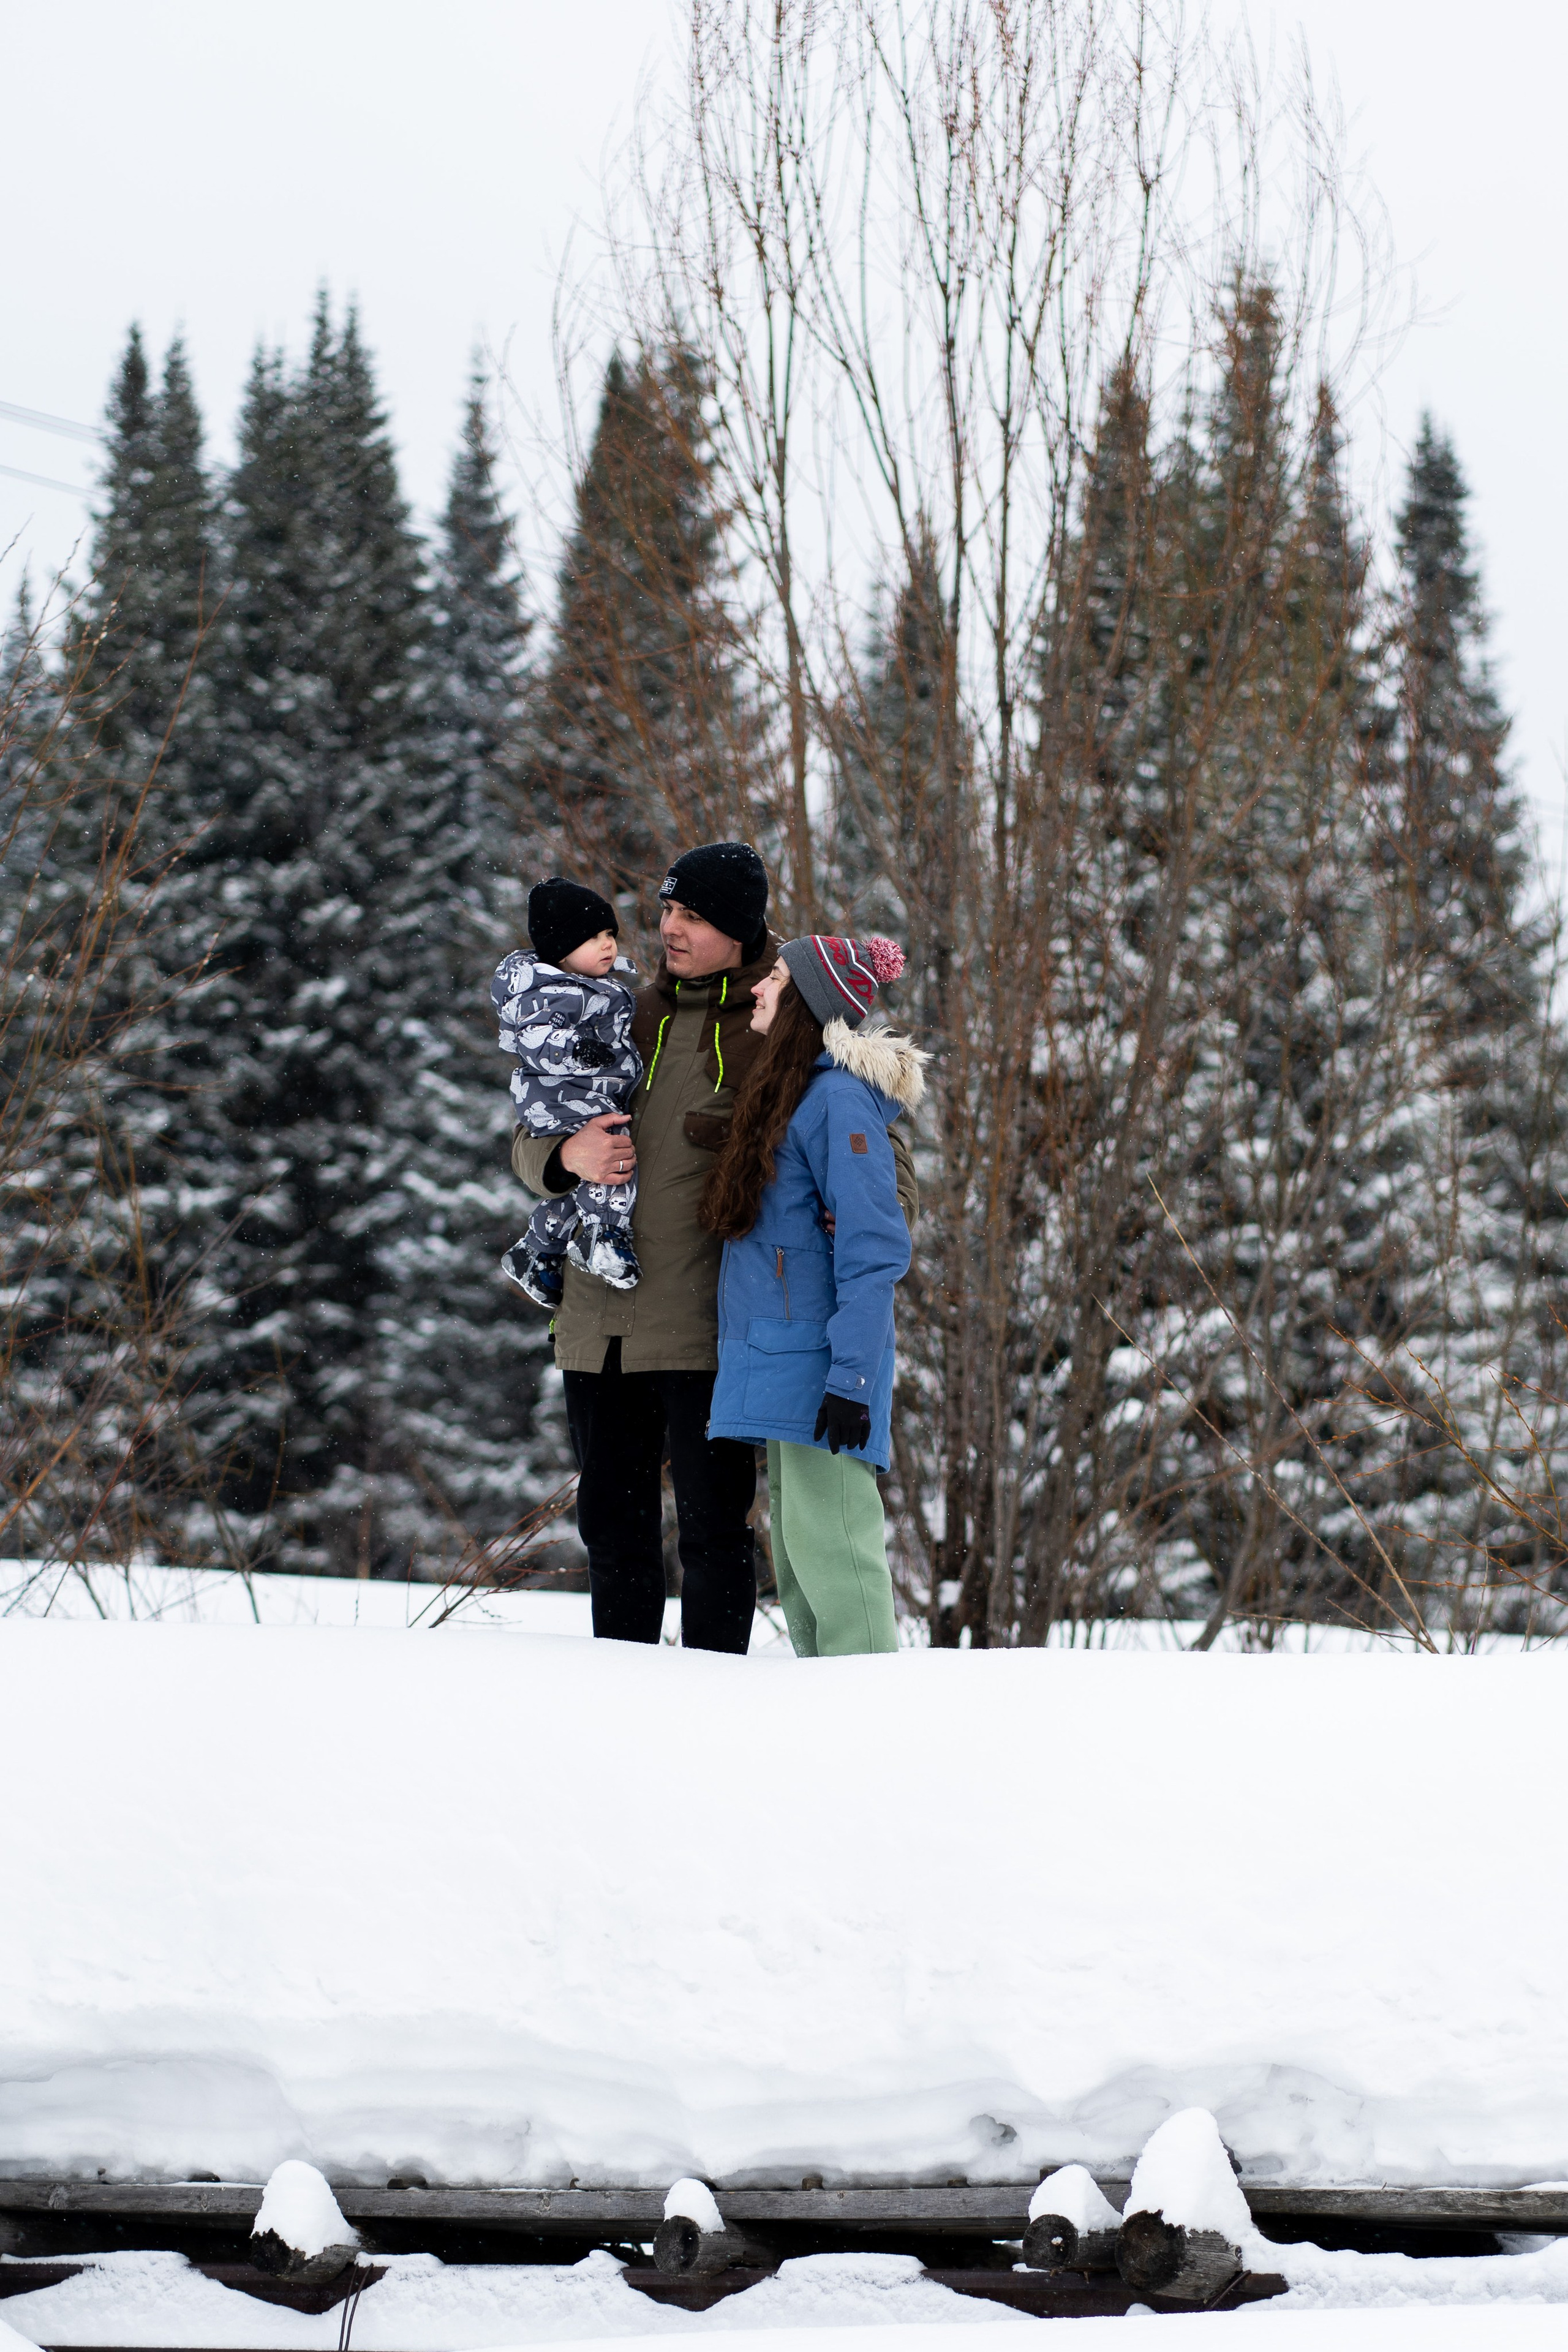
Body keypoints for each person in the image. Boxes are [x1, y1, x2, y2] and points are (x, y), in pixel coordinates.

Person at [508, 841, 919, 1653]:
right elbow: (532, 1125)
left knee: (715, 1537)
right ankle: (622, 1712)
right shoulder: (618, 1011)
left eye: (691, 915)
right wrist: (563, 1158)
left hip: (709, 1333)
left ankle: (715, 1716)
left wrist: (871, 1210)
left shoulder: (784, 1013)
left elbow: (871, 1139)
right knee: (613, 1536)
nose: (669, 929)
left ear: (740, 926)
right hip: (600, 1325)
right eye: (665, 911)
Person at [702, 933, 927, 1657]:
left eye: (773, 979)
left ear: (805, 1001)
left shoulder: (835, 1101)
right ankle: (822, 1723)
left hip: (824, 1371)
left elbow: (874, 1250)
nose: (758, 989)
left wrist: (852, 1379)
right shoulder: (791, 1095)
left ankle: (868, 1725)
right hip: (785, 1361)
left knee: (839, 1564)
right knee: (802, 1563)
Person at [492, 879, 642, 1309]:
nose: (607, 945)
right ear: (560, 949)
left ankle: (538, 1249)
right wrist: (574, 1049)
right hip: (562, 1094)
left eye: (610, 935)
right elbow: (533, 1037)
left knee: (580, 1185)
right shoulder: (548, 991)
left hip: (584, 1090)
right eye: (592, 938)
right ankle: (605, 1236)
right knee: (614, 1156)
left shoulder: (596, 985)